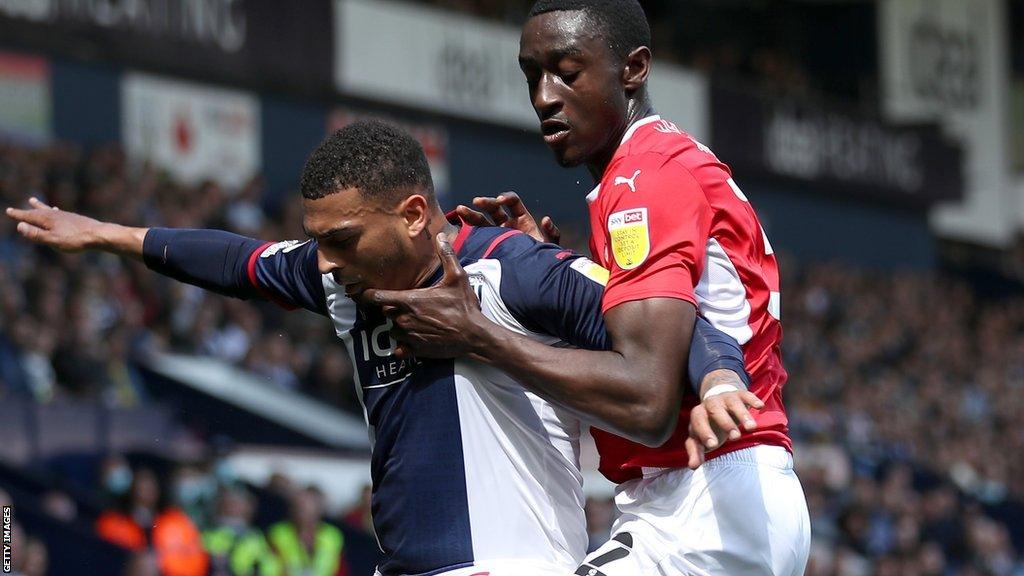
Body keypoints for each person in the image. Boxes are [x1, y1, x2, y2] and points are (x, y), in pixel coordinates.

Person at [7, 120, 748, 576]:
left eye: (342, 239)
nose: (322, 260)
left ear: (414, 214)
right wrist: (110, 236)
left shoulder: (510, 269)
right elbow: (238, 262)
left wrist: (717, 383)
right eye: (318, 239)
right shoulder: (341, 279)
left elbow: (671, 321)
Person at [365, 1, 811, 574]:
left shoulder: (642, 180)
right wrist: (557, 270)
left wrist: (475, 335)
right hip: (717, 499)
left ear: (633, 69)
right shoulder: (657, 166)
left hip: (705, 502)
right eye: (532, 76)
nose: (544, 97)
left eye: (567, 73)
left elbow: (646, 398)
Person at [267, 487, 347, 576]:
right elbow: (270, 567)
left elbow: (340, 569)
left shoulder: (332, 536)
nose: (301, 512)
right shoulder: (278, 533)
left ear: (318, 510)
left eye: (306, 507)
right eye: (297, 507)